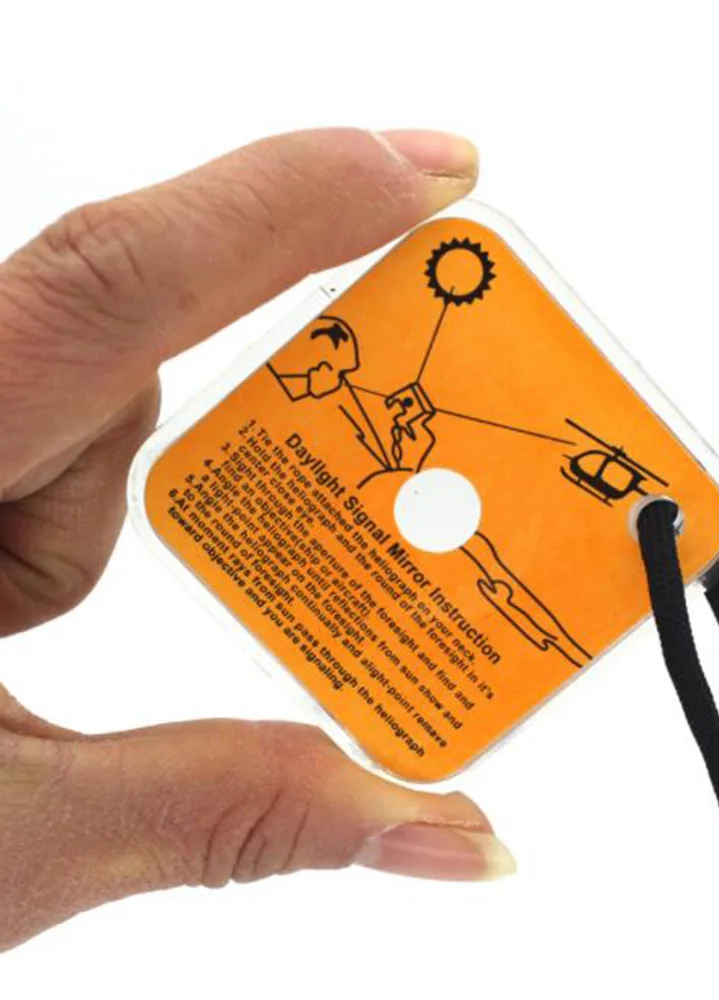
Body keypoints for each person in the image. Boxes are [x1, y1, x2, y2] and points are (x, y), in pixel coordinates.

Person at [0, 128, 515, 955]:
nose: (324, 365)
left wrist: (406, 439)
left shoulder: (365, 412)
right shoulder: (324, 407)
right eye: (327, 356)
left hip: (403, 558)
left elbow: (395, 461)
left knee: (483, 564)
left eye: (333, 357)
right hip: (307, 521)